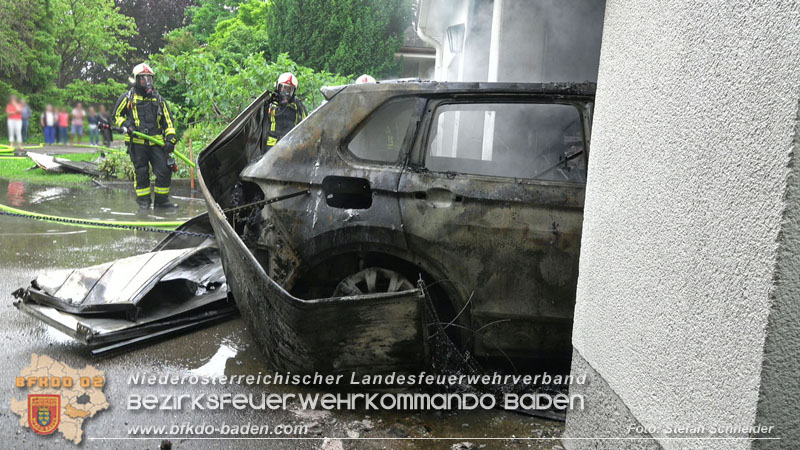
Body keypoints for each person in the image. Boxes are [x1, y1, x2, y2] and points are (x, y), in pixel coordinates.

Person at [112, 63, 178, 209]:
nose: (147, 82)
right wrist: (127, 124)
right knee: (141, 172)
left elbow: (168, 121)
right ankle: (144, 204)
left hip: (156, 143)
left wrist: (170, 139)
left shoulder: (158, 99)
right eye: (143, 79)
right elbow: (116, 116)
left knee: (164, 170)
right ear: (136, 80)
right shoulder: (128, 98)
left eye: (150, 79)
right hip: (137, 143)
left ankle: (162, 202)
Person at [265, 72, 307, 152]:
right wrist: (281, 106)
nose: (286, 92)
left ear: (294, 91)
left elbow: (306, 124)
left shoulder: (298, 106)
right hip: (271, 145)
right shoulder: (270, 103)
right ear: (278, 87)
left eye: (290, 89)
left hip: (290, 146)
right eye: (284, 88)